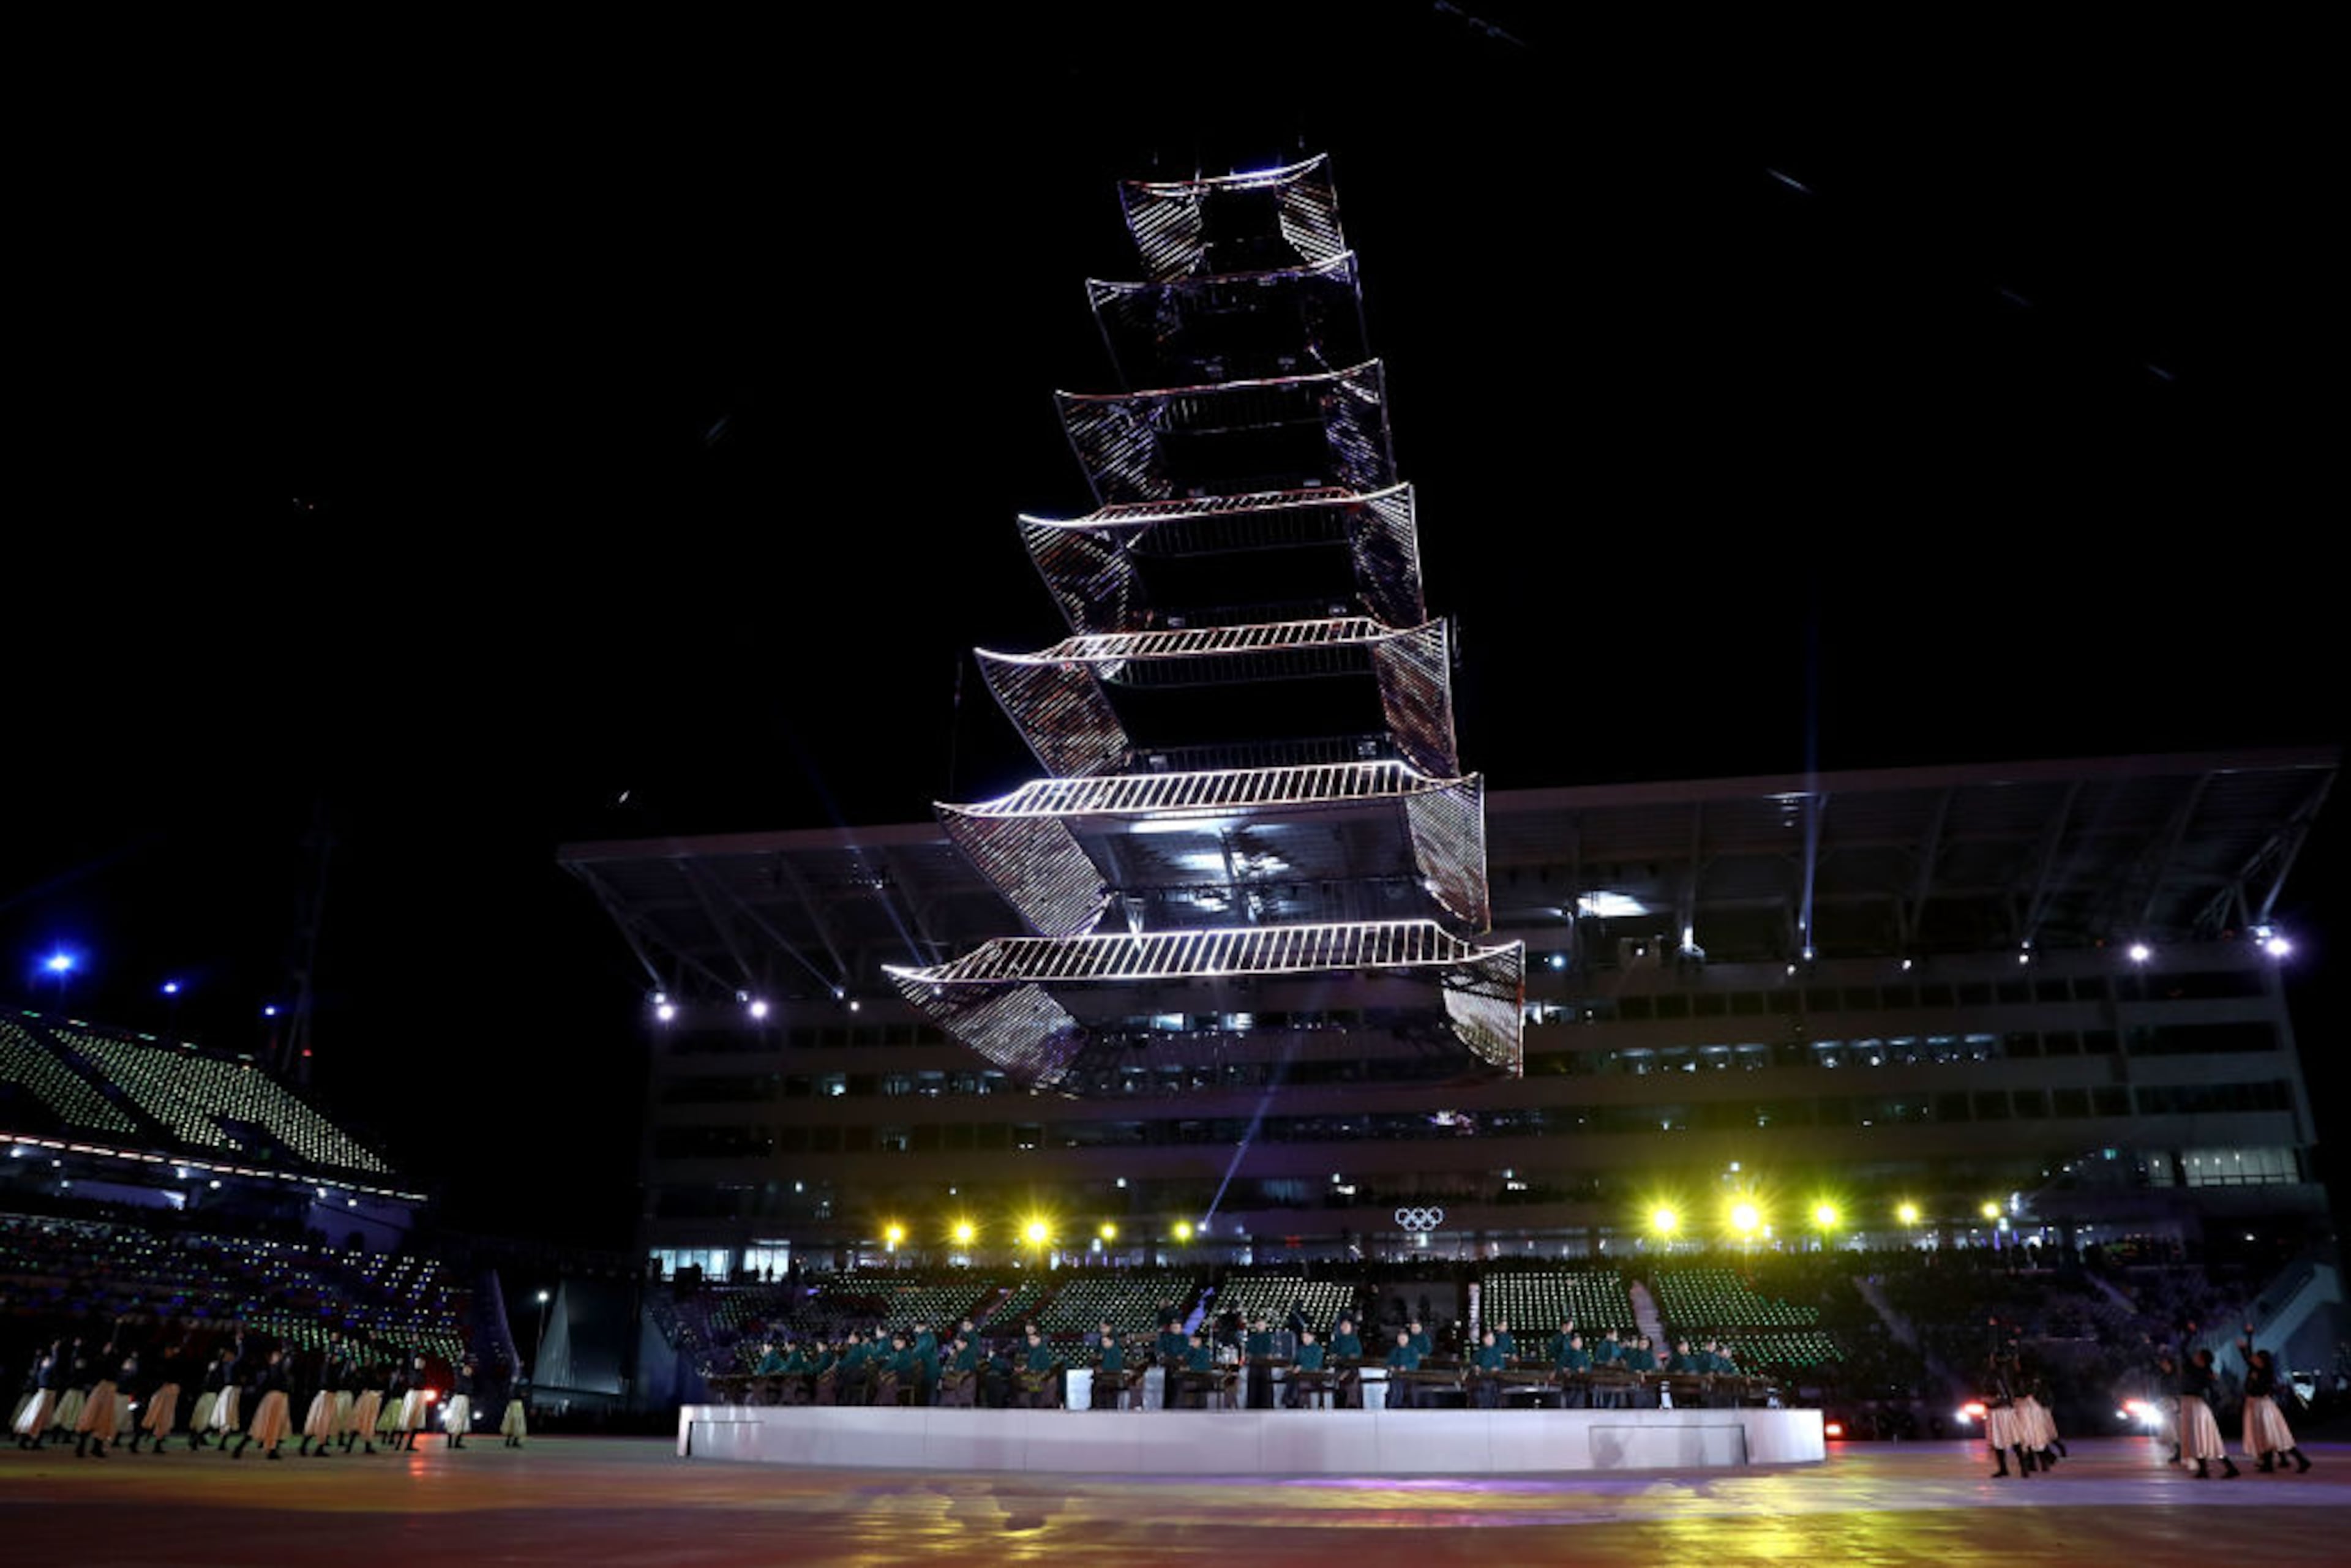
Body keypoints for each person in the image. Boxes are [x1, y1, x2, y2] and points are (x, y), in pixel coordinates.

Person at [2240, 1346, 2310, 1473]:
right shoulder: (2255, 1370)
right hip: (2256, 1406)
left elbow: (2262, 1390)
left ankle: (2301, 1460)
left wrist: (2255, 1382)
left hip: (2263, 1407)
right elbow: (2247, 1358)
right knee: (2265, 1436)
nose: (2253, 1359)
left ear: (2261, 1360)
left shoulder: (2265, 1374)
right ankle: (2269, 1464)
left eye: (2256, 1358)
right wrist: (2246, 1344)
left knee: (2273, 1436)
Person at [2178, 1347, 2239, 1479]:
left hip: (2196, 1406)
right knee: (2196, 1438)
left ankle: (2226, 1468)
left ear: (2202, 1359)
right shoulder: (2195, 1369)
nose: (2194, 1356)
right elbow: (2183, 1350)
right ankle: (2205, 1469)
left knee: (2203, 1438)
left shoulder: (2204, 1373)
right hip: (2191, 1405)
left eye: (2198, 1355)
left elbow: (2212, 1391)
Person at [235, 1348, 293, 1460]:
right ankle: (243, 1448)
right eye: (276, 1355)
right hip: (274, 1398)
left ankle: (271, 1450)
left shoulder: (278, 1369)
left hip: (279, 1398)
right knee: (265, 1425)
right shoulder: (273, 1369)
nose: (279, 1357)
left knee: (275, 1425)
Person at [442, 1357, 476, 1449]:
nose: (468, 1371)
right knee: (453, 1419)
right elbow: (456, 1368)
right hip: (457, 1400)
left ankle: (457, 1442)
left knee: (462, 1420)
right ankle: (449, 1443)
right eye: (466, 1369)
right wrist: (460, 1359)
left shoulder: (470, 1381)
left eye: (470, 1370)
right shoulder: (459, 1377)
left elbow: (471, 1393)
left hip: (465, 1401)